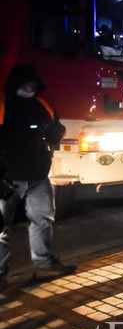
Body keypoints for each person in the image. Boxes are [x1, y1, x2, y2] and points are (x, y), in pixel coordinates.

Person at [0, 64, 76, 287]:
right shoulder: (3, 105)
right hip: (7, 178)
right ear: (16, 83)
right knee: (0, 227)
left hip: (38, 176)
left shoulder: (43, 106)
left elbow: (55, 130)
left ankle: (44, 263)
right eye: (26, 84)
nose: (30, 88)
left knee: (43, 219)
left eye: (33, 84)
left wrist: (55, 135)